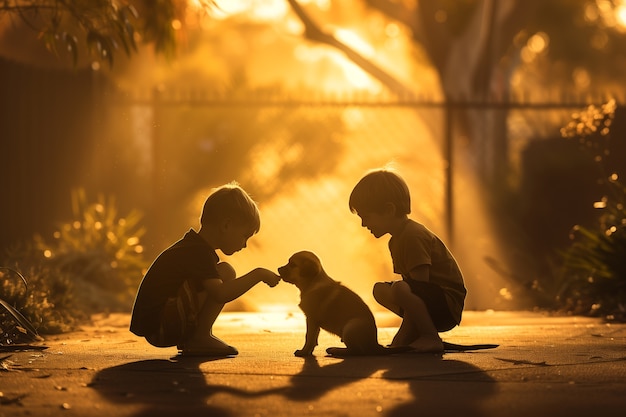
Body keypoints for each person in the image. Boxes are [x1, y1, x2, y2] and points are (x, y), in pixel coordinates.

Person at [130, 183, 280, 356]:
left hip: (157, 325)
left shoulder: (194, 247)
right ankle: (199, 337)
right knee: (225, 273)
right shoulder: (197, 252)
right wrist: (258, 274)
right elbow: (220, 294)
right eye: (244, 236)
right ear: (226, 225)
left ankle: (197, 337)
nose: (245, 244)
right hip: (160, 327)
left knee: (224, 271)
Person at [349, 168, 466, 353]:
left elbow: (418, 287)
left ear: (389, 210)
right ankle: (421, 333)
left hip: (447, 305)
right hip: (430, 300)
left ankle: (430, 336)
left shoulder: (413, 236)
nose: (364, 224)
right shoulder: (396, 240)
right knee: (380, 289)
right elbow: (413, 292)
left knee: (399, 288)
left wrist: (401, 337)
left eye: (367, 217)